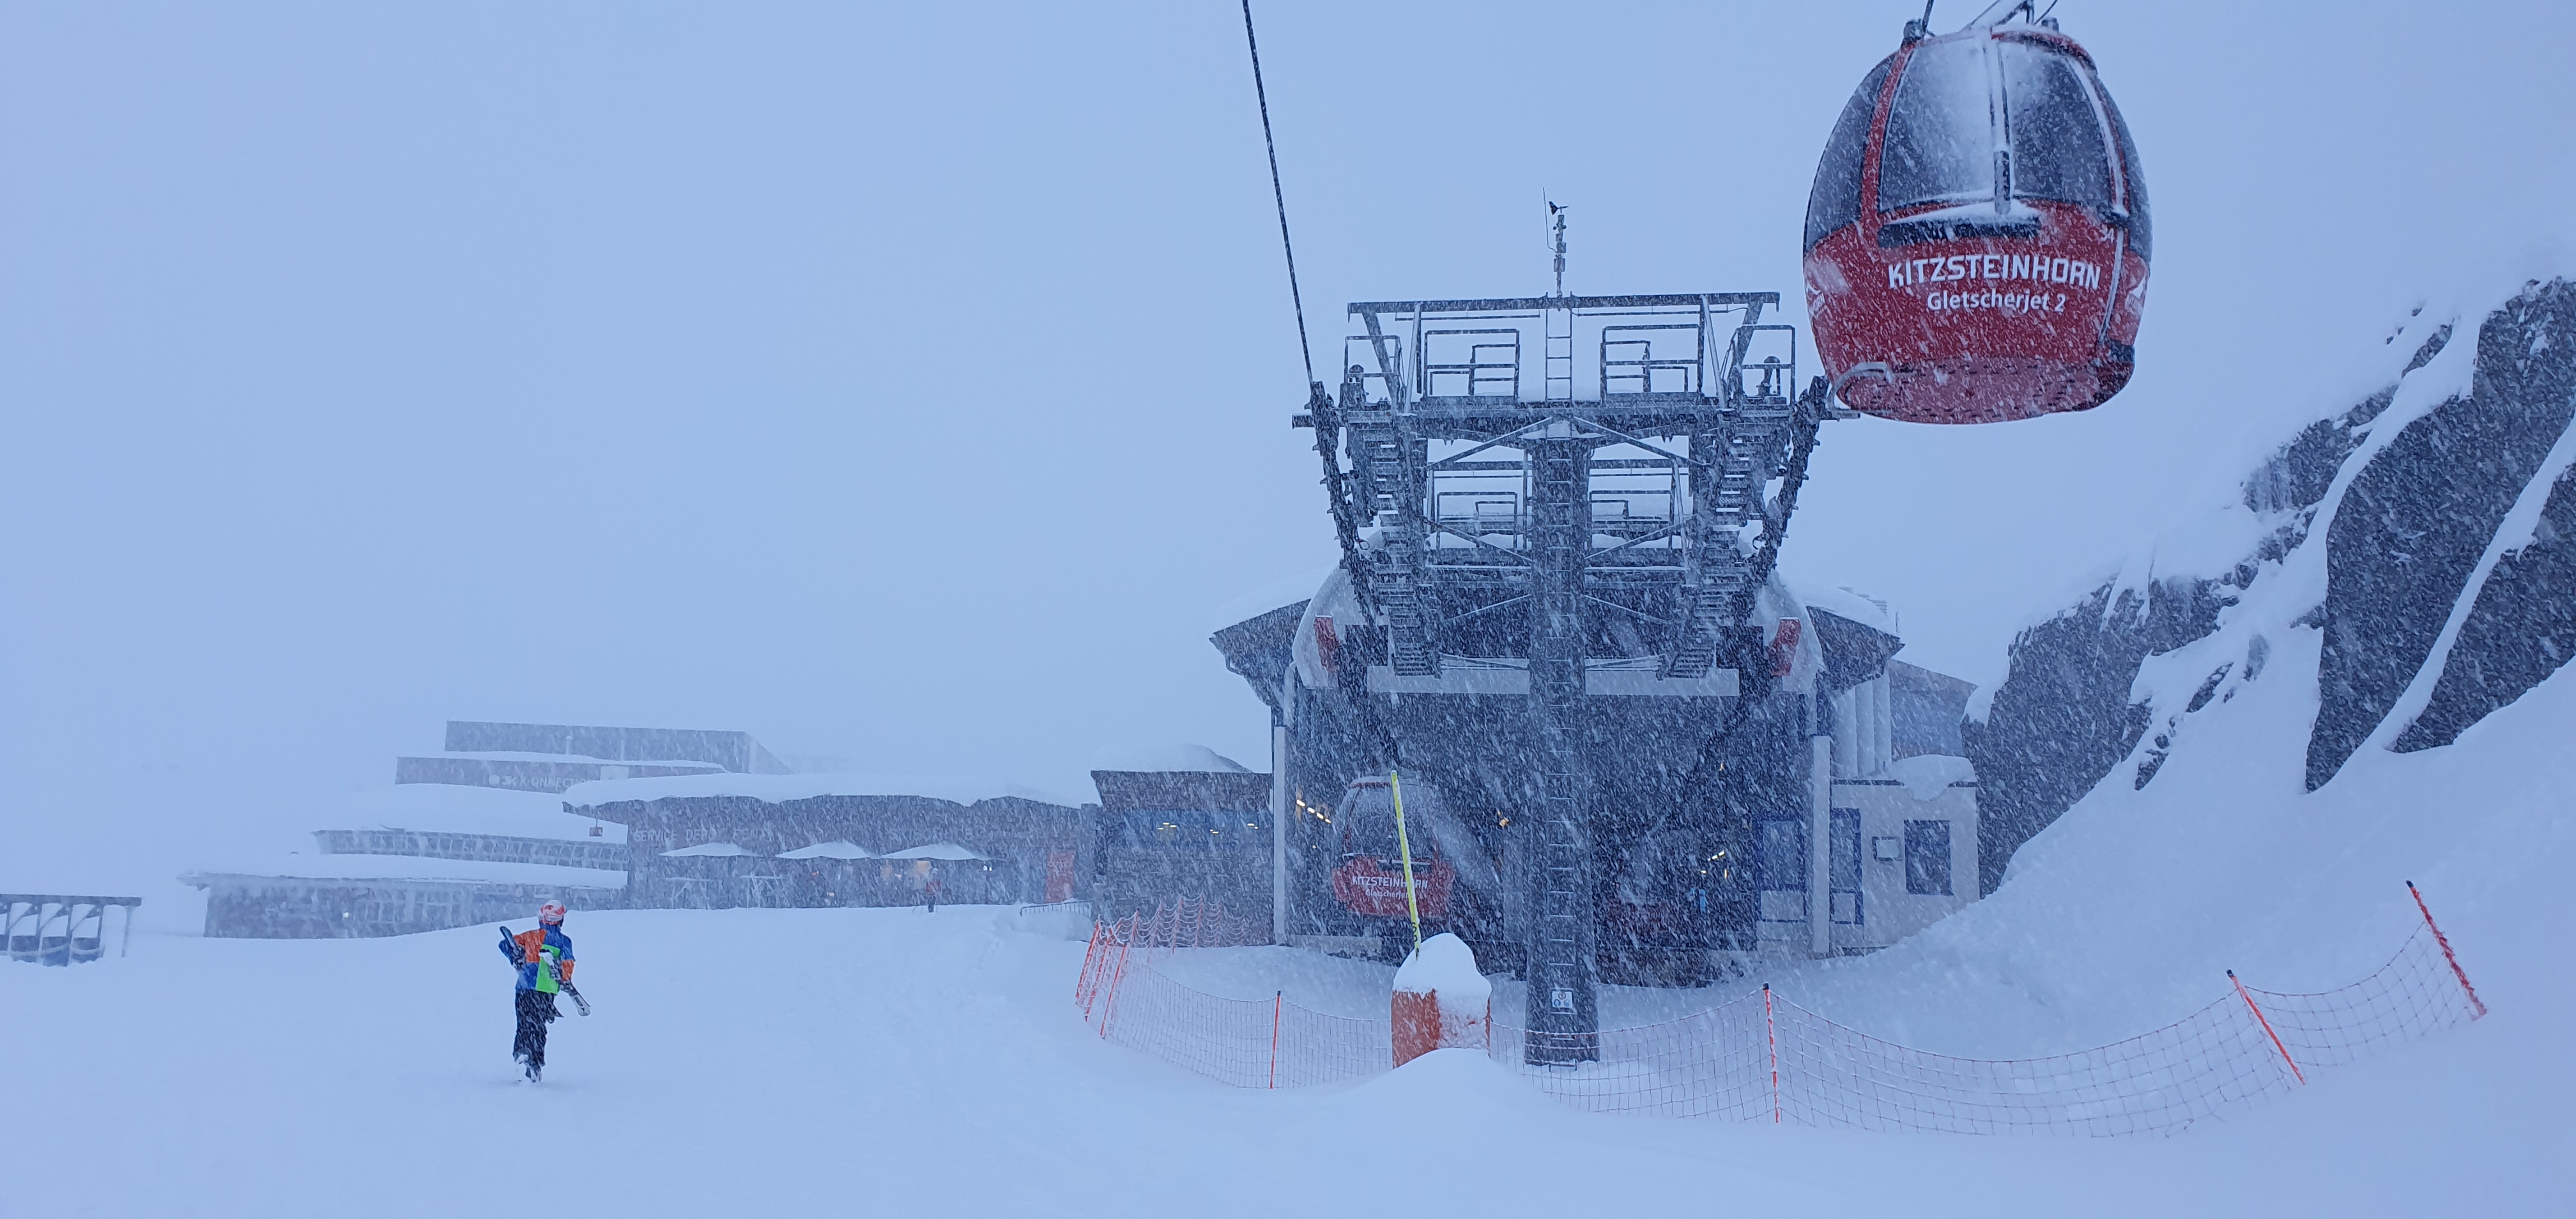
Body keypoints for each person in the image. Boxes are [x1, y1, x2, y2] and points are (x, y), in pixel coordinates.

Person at [497, 901, 575, 1082]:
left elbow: (504, 944)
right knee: (538, 1025)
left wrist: (515, 957)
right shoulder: (564, 942)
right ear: (561, 920)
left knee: (524, 1021)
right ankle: (535, 1062)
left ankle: (522, 1051)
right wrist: (564, 979)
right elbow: (567, 967)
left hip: (524, 987)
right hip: (546, 991)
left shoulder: (530, 936)